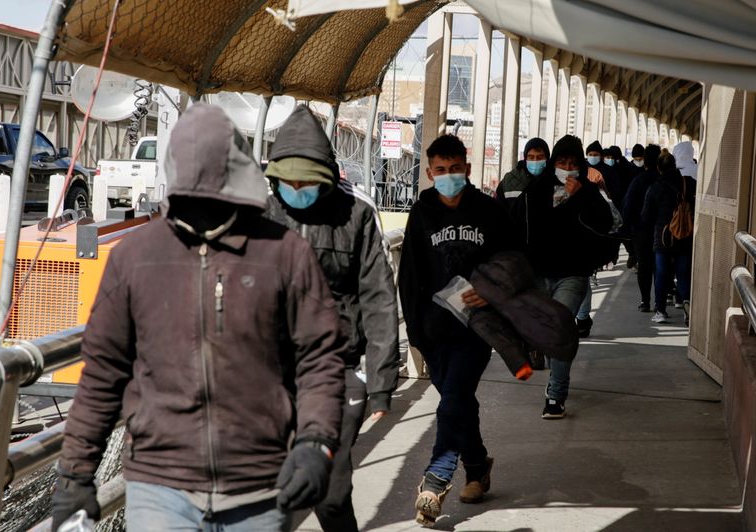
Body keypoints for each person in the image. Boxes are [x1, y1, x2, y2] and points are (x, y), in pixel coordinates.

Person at [51, 104, 347, 532]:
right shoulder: (135, 258)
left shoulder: (284, 254)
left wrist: (316, 442)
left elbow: (320, 358)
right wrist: (75, 477)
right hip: (159, 486)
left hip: (261, 488)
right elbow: (103, 373)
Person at [263, 105, 400, 532]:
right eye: (289, 181)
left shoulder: (356, 215)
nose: (297, 188)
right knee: (272, 493)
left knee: (331, 491)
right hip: (270, 371)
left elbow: (379, 296)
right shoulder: (260, 214)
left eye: (307, 181)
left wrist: (381, 383)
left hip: (337, 370)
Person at [398, 134, 517, 526]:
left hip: (476, 328)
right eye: (441, 171)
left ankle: (435, 482)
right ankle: (478, 465)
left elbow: (514, 262)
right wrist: (415, 333)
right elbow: (409, 276)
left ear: (467, 168)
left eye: (455, 169)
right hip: (432, 330)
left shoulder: (490, 212)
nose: (448, 176)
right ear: (430, 173)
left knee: (453, 398)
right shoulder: (421, 214)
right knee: (459, 401)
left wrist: (490, 292)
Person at [509, 135, 613, 419]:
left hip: (572, 274)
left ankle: (556, 394)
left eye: (572, 163)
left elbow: (606, 223)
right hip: (539, 275)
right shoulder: (535, 190)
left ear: (580, 165)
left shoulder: (589, 192)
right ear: (554, 162)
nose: (567, 167)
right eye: (561, 162)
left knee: (561, 329)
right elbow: (517, 227)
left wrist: (582, 196)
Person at [642, 151, 696, 325]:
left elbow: (646, 216)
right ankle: (686, 301)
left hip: (663, 236)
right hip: (685, 235)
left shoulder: (655, 188)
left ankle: (660, 310)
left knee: (662, 274)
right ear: (675, 165)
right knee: (683, 272)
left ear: (659, 168)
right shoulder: (688, 183)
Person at [622, 144, 662, 312]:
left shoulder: (638, 180)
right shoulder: (664, 180)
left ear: (645, 161)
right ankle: (661, 303)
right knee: (661, 267)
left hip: (641, 230)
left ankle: (645, 301)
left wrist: (628, 227)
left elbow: (628, 206)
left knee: (644, 266)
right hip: (663, 230)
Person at [495, 137, 550, 209]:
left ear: (547, 159)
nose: (535, 161)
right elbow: (497, 210)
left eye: (539, 157)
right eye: (531, 157)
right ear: (525, 158)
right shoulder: (509, 180)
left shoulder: (554, 180)